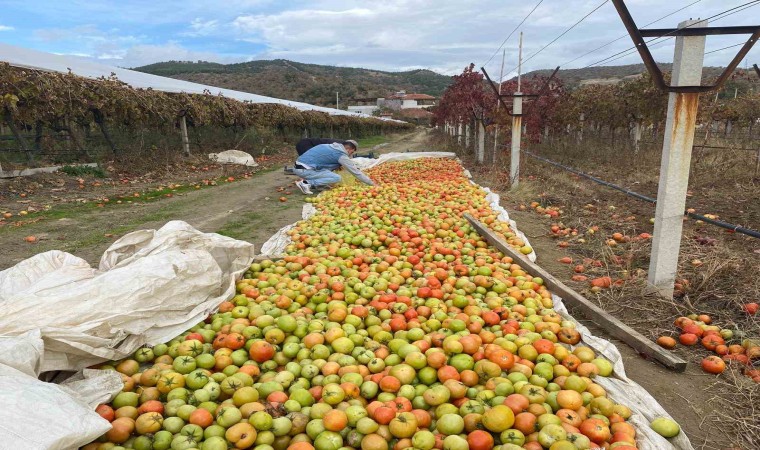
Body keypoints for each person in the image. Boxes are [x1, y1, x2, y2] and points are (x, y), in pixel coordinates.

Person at [292, 141, 375, 194]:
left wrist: (337, 165)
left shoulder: (330, 146)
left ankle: (319, 185)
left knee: (329, 172)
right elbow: (356, 172)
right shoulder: (340, 154)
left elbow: (323, 162)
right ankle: (306, 183)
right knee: (336, 178)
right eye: (351, 152)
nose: (350, 155)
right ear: (348, 149)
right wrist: (372, 184)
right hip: (304, 169)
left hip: (299, 166)